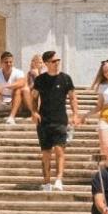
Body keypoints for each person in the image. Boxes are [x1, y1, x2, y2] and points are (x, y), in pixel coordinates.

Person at [30, 51, 79, 192]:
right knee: (45, 153)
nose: (57, 63)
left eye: (58, 60)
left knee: (59, 150)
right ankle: (46, 183)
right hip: (44, 121)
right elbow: (33, 97)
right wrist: (34, 111)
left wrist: (75, 114)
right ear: (46, 63)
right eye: (53, 61)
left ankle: (58, 179)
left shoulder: (66, 79)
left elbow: (72, 98)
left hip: (60, 120)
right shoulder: (40, 80)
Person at [0, 50, 30, 124]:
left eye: (10, 62)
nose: (9, 64)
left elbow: (21, 82)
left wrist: (5, 86)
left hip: (13, 102)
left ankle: (11, 117)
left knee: (18, 90)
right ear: (1, 63)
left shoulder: (18, 72)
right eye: (6, 62)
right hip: (0, 101)